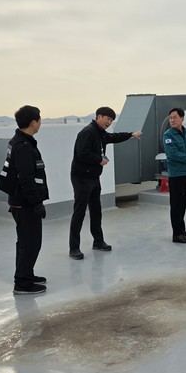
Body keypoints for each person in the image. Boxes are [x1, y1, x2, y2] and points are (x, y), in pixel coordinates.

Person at [69, 106, 142, 259]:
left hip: (94, 177)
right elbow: (81, 153)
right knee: (79, 212)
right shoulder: (88, 132)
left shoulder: (100, 133)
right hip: (81, 178)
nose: (109, 122)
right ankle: (74, 248)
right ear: (99, 117)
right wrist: (99, 160)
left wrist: (130, 135)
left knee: (96, 210)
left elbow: (114, 137)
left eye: (111, 120)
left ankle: (98, 241)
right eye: (107, 119)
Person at [5, 105, 49, 295]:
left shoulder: (21, 141)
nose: (40, 122)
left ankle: (26, 274)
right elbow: (26, 178)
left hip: (21, 201)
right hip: (25, 203)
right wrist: (37, 203)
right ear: (33, 122)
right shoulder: (23, 146)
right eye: (39, 119)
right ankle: (22, 283)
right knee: (30, 243)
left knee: (25, 241)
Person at [163, 108, 186, 243]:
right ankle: (177, 234)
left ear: (182, 118)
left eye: (175, 117)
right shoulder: (168, 135)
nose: (172, 120)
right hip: (176, 174)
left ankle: (181, 229)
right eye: (170, 118)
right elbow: (172, 154)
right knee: (176, 204)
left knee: (183, 203)